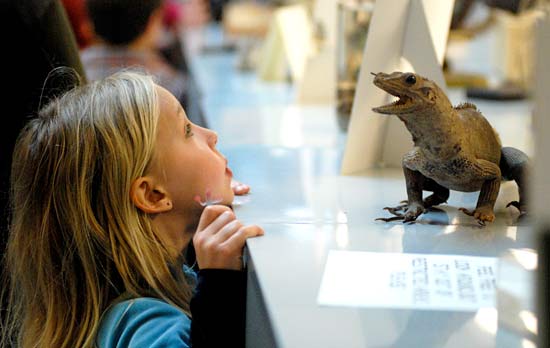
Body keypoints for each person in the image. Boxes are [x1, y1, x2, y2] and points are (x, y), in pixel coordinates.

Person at [2, 71, 264, 347]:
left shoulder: (133, 299)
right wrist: (219, 288)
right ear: (152, 195)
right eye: (187, 130)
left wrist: (202, 198)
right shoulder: (147, 327)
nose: (211, 135)